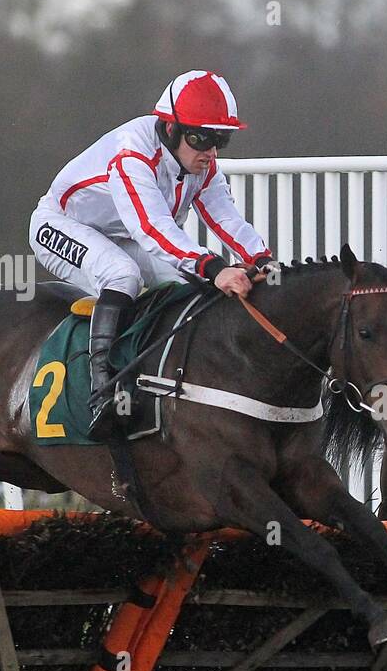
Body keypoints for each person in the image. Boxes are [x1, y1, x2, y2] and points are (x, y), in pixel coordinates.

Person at [29, 70, 274, 438]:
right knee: (122, 275)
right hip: (60, 225)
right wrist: (215, 267)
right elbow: (153, 228)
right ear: (171, 129)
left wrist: (262, 258)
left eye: (220, 140)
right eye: (201, 137)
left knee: (183, 281)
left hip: (122, 233)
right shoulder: (132, 153)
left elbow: (225, 217)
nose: (210, 152)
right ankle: (103, 390)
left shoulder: (201, 162)